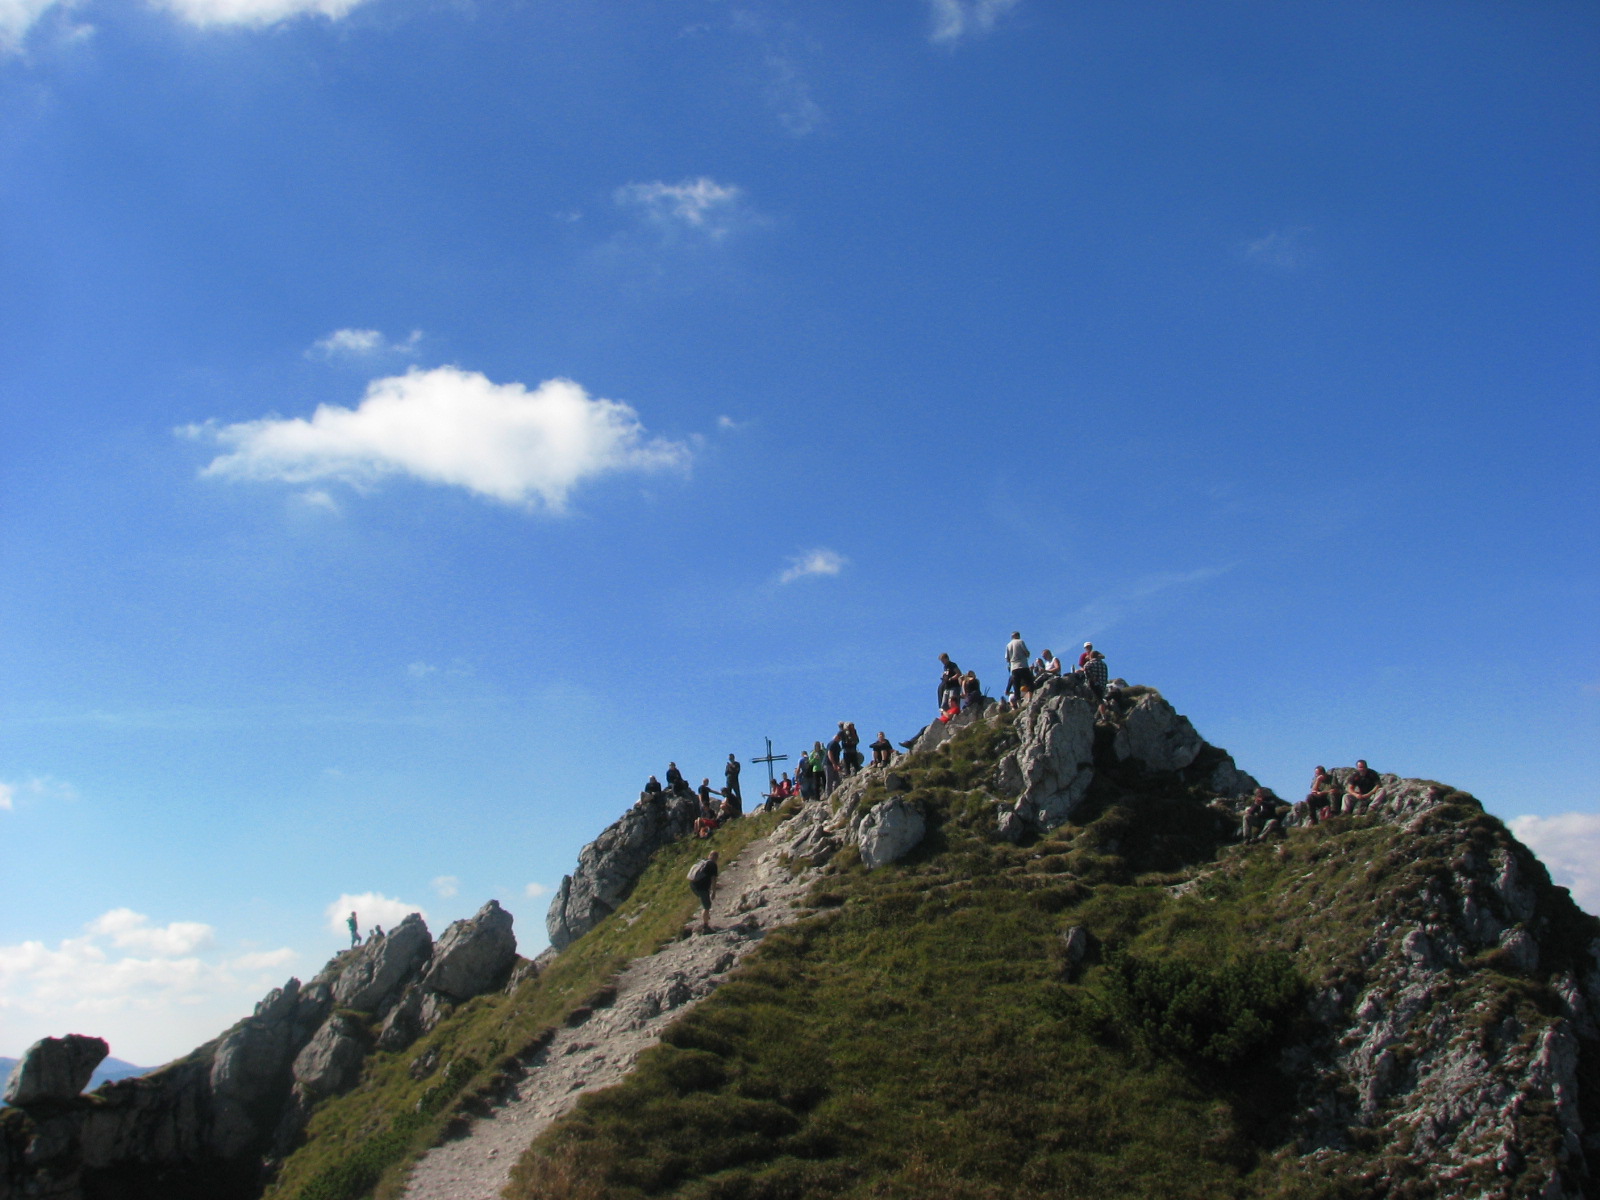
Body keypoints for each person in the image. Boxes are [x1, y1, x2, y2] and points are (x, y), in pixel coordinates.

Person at [688, 849, 719, 932]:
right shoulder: (713, 865)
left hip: (692, 884)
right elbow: (714, 879)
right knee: (707, 906)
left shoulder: (703, 862)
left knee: (705, 901)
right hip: (702, 887)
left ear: (709, 856)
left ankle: (706, 916)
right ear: (716, 858)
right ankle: (705, 926)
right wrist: (714, 892)